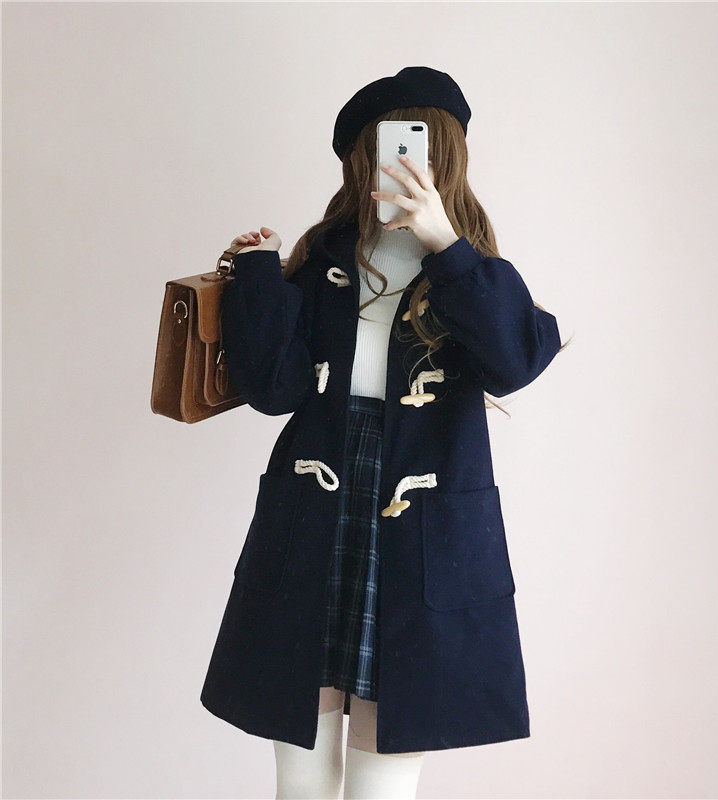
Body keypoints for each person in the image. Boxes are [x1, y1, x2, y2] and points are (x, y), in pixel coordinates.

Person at [204, 66, 567, 800]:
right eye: (386, 146)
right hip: (317, 504)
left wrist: (445, 245)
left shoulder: (471, 266)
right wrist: (259, 275)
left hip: (422, 519)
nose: (402, 160)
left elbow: (514, 365)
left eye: (420, 145)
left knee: (389, 756)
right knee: (299, 752)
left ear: (447, 154)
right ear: (359, 159)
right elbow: (274, 391)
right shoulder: (327, 257)